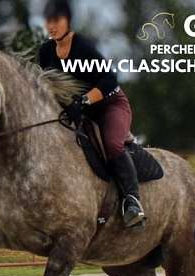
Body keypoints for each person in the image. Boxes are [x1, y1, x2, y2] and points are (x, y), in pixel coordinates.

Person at [38, 0, 145, 228]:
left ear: (68, 21)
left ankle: (132, 202)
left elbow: (109, 80)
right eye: (48, 21)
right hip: (77, 113)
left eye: (56, 20)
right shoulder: (46, 52)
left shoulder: (84, 47)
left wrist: (84, 100)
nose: (51, 26)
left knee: (112, 144)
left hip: (109, 105)